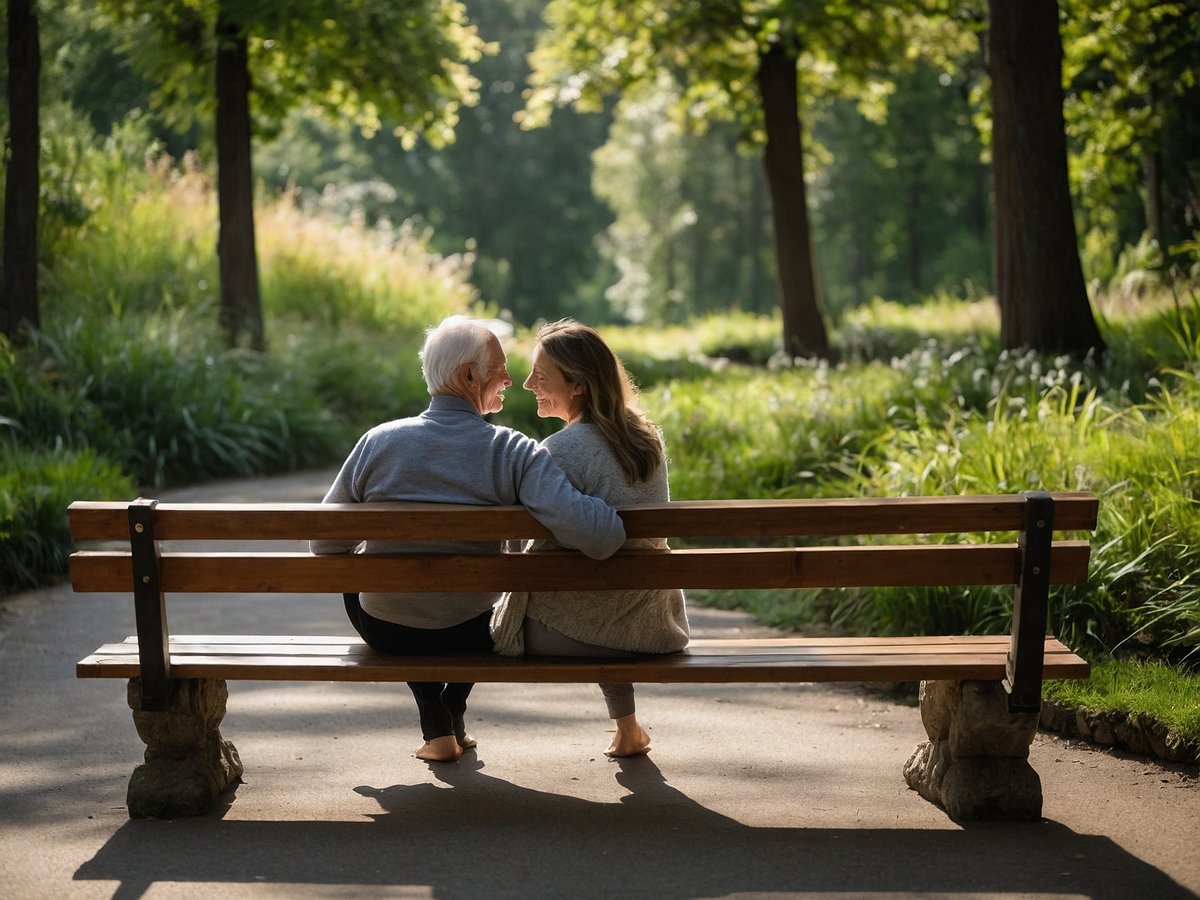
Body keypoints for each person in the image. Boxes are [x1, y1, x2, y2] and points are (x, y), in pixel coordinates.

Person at [310, 316, 626, 764]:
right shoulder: (514, 451)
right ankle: (450, 711)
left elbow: (324, 545)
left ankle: (437, 723)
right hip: (476, 633)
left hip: (388, 631)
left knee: (366, 576)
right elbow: (600, 537)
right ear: (469, 377)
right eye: (500, 367)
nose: (511, 379)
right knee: (478, 600)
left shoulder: (376, 443)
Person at [491, 319, 689, 757]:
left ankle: (445, 727)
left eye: (540, 376)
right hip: (650, 623)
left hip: (567, 632)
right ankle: (628, 728)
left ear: (577, 385)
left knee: (471, 613)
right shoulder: (646, 440)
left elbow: (519, 548)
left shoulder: (558, 452)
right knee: (600, 585)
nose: (527, 384)